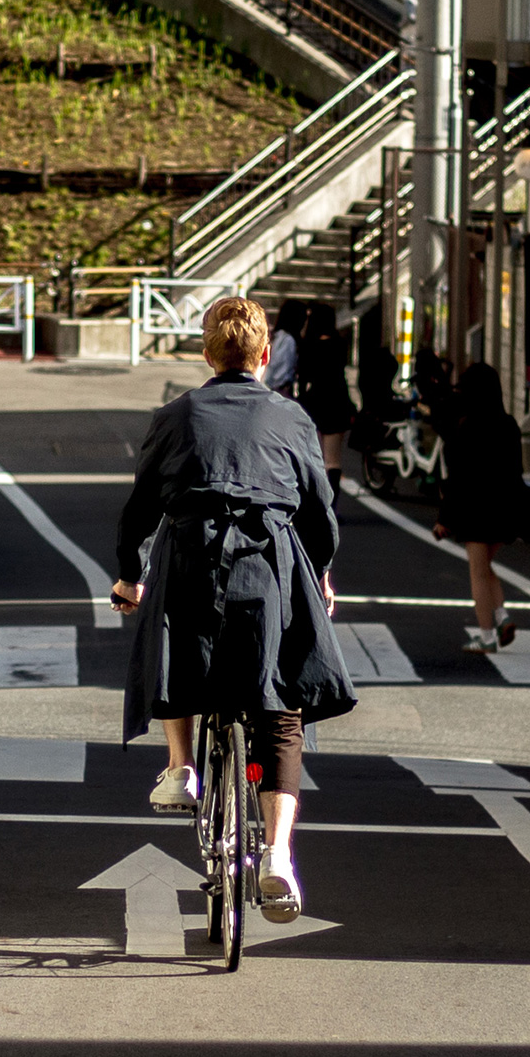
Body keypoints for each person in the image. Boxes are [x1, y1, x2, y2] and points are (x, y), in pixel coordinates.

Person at [113, 296, 355, 924]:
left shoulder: (175, 414)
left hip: (190, 558)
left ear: (205, 353)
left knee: (171, 646)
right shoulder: (291, 417)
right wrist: (320, 572)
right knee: (281, 706)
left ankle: (181, 767)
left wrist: (128, 576)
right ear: (265, 356)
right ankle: (278, 855)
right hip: (267, 567)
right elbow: (319, 512)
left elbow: (141, 506)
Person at [433, 362, 530, 651]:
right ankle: (501, 617)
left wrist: (444, 518)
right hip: (503, 508)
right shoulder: (509, 425)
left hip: (474, 510)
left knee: (477, 572)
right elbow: (516, 470)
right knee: (485, 567)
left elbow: (458, 477)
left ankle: (487, 636)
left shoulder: (466, 427)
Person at [293, 302, 356, 480]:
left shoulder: (307, 346)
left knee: (313, 458)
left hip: (314, 401)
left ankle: (316, 500)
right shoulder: (340, 344)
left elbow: (303, 377)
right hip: (338, 400)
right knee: (333, 461)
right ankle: (332, 503)